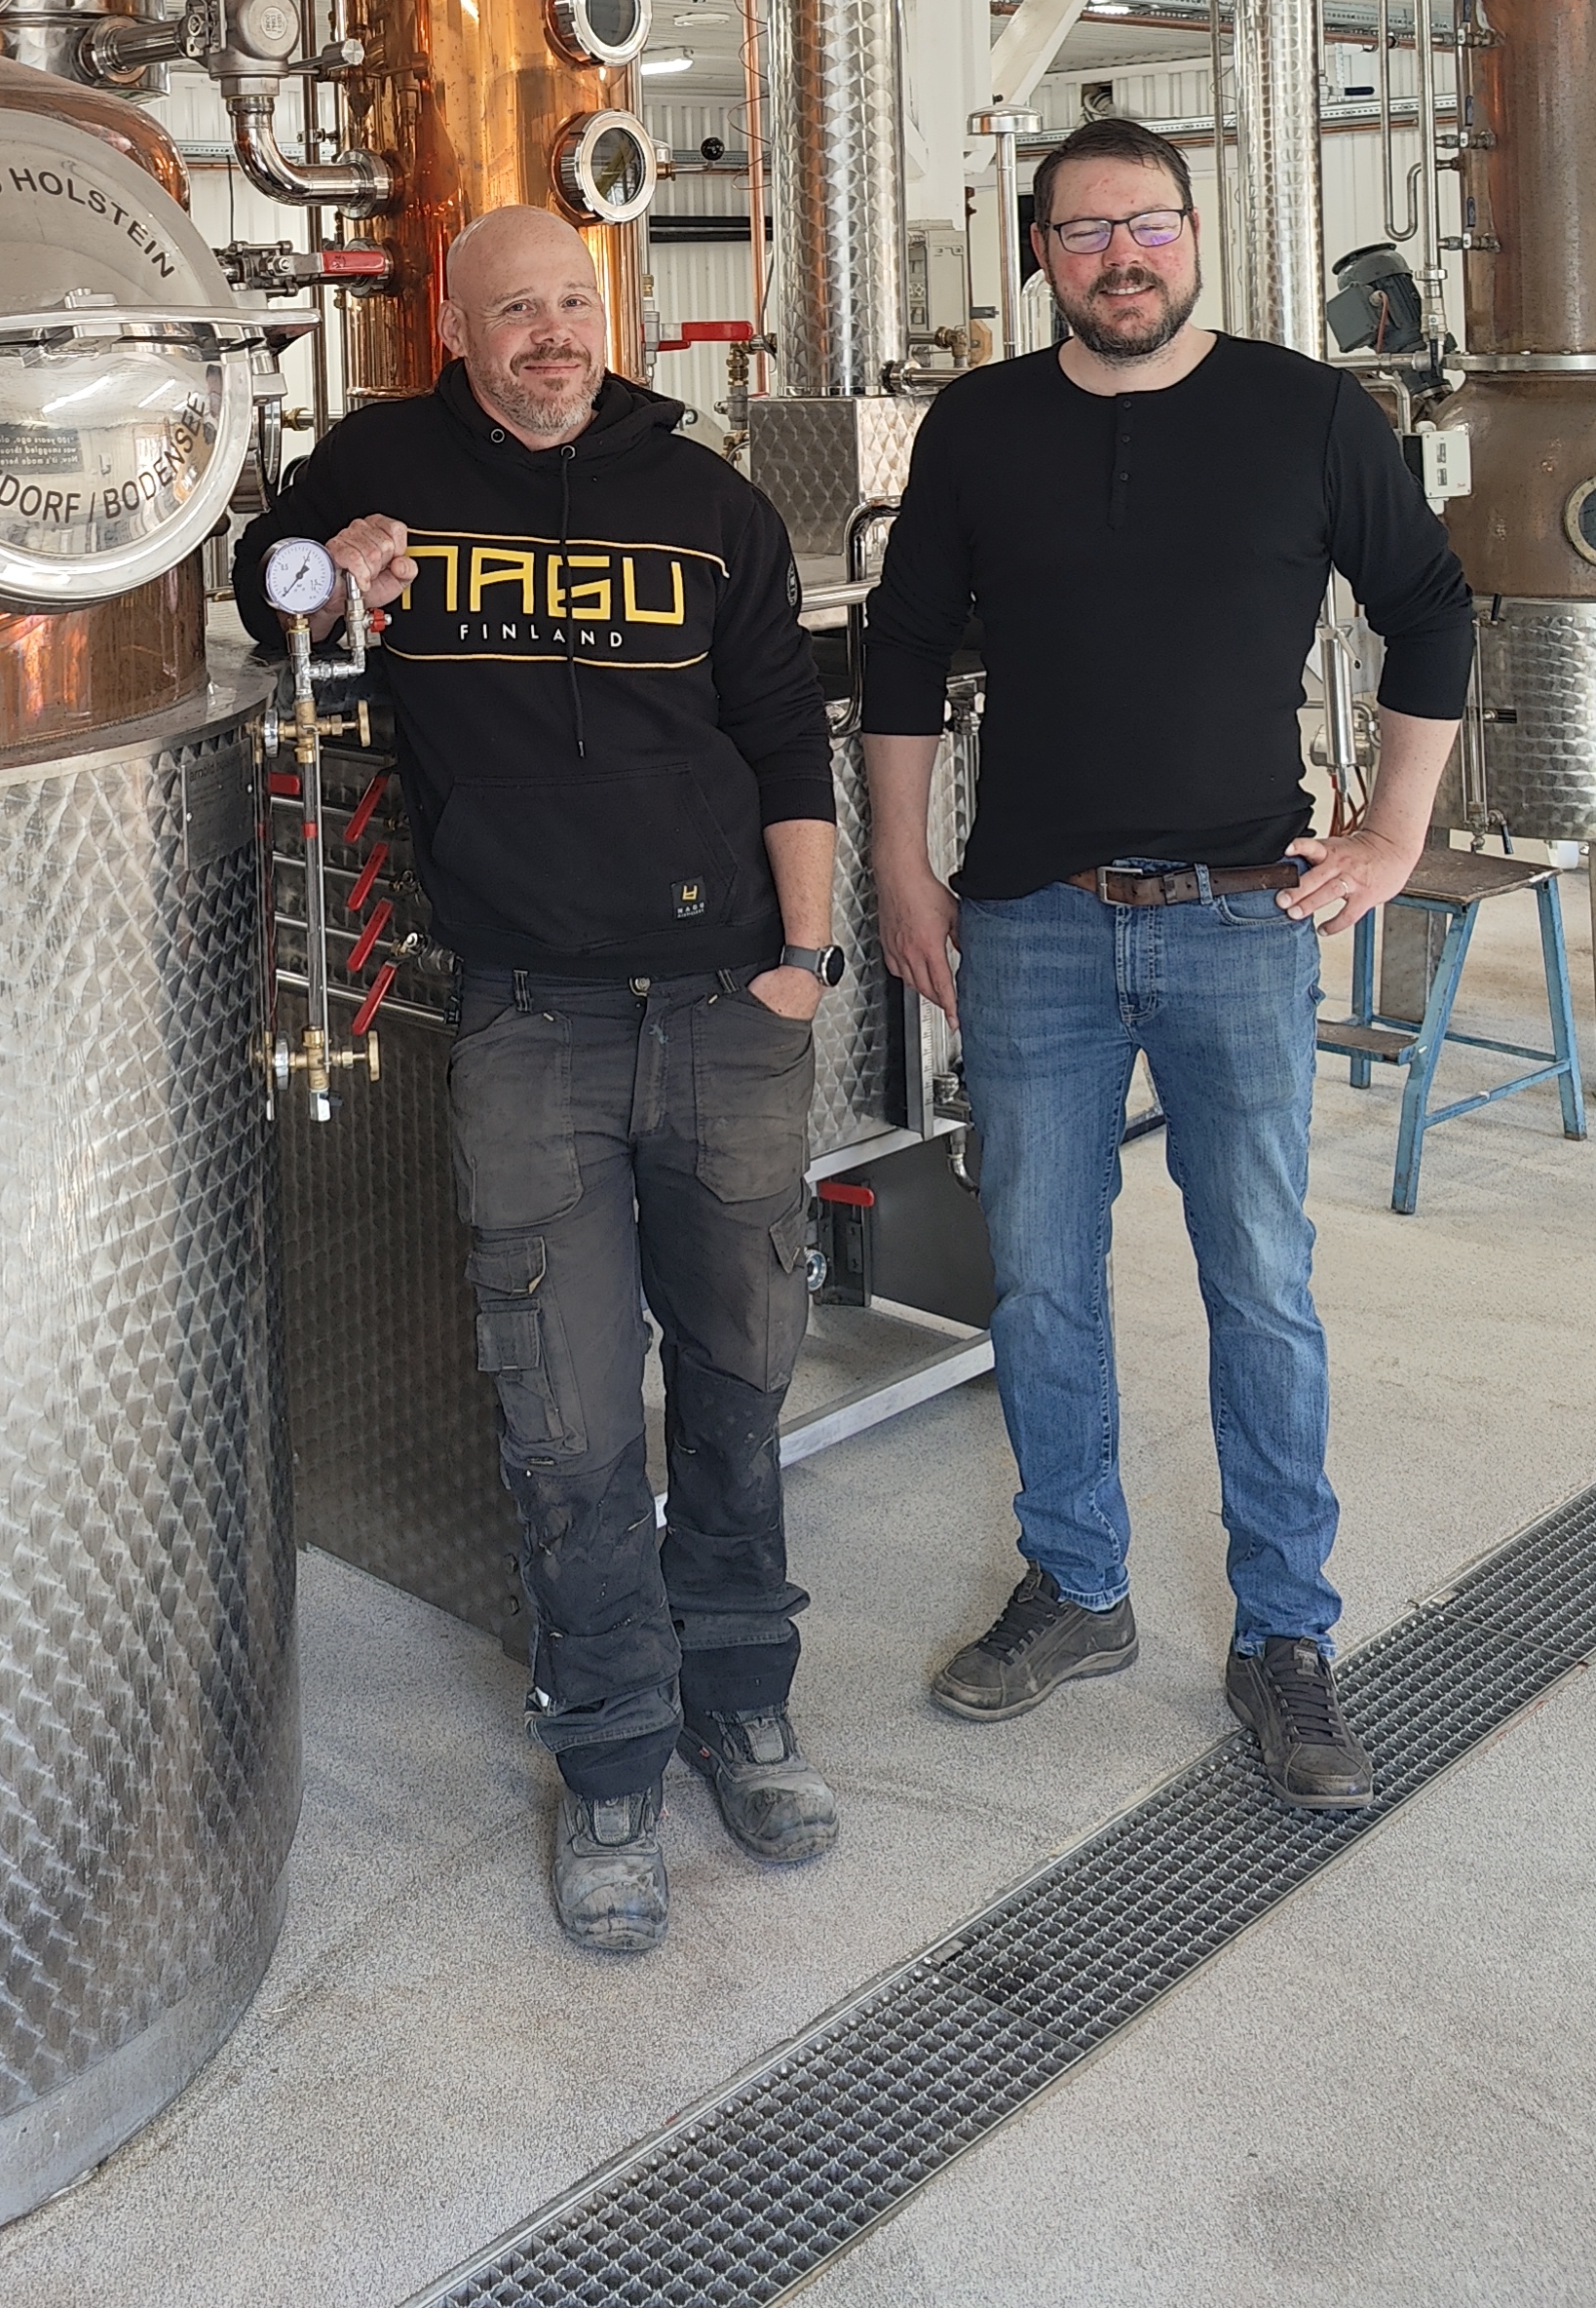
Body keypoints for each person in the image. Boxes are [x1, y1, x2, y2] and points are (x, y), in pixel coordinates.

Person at [234, 204, 843, 1955]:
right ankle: (613, 1761)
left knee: (739, 1378)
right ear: (456, 325)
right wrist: (329, 572)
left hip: (728, 1004)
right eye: (516, 309)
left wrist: (805, 964)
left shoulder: (709, 502)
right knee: (565, 1418)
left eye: (575, 302)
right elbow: (259, 589)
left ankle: (745, 1702)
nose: (553, 333)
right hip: (530, 1026)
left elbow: (783, 739)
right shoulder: (383, 464)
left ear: (609, 313)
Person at [862, 117, 1473, 1809]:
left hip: (1240, 919)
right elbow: (902, 655)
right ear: (1040, 256)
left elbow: (1431, 606)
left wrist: (1394, 833)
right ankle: (1080, 1584)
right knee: (1041, 1279)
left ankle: (1286, 1636)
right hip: (1032, 923)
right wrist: (903, 871)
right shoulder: (980, 427)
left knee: (1259, 1284)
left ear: (1193, 236)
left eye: (1146, 225)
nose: (1119, 257)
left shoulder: (1307, 414)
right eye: (1084, 232)